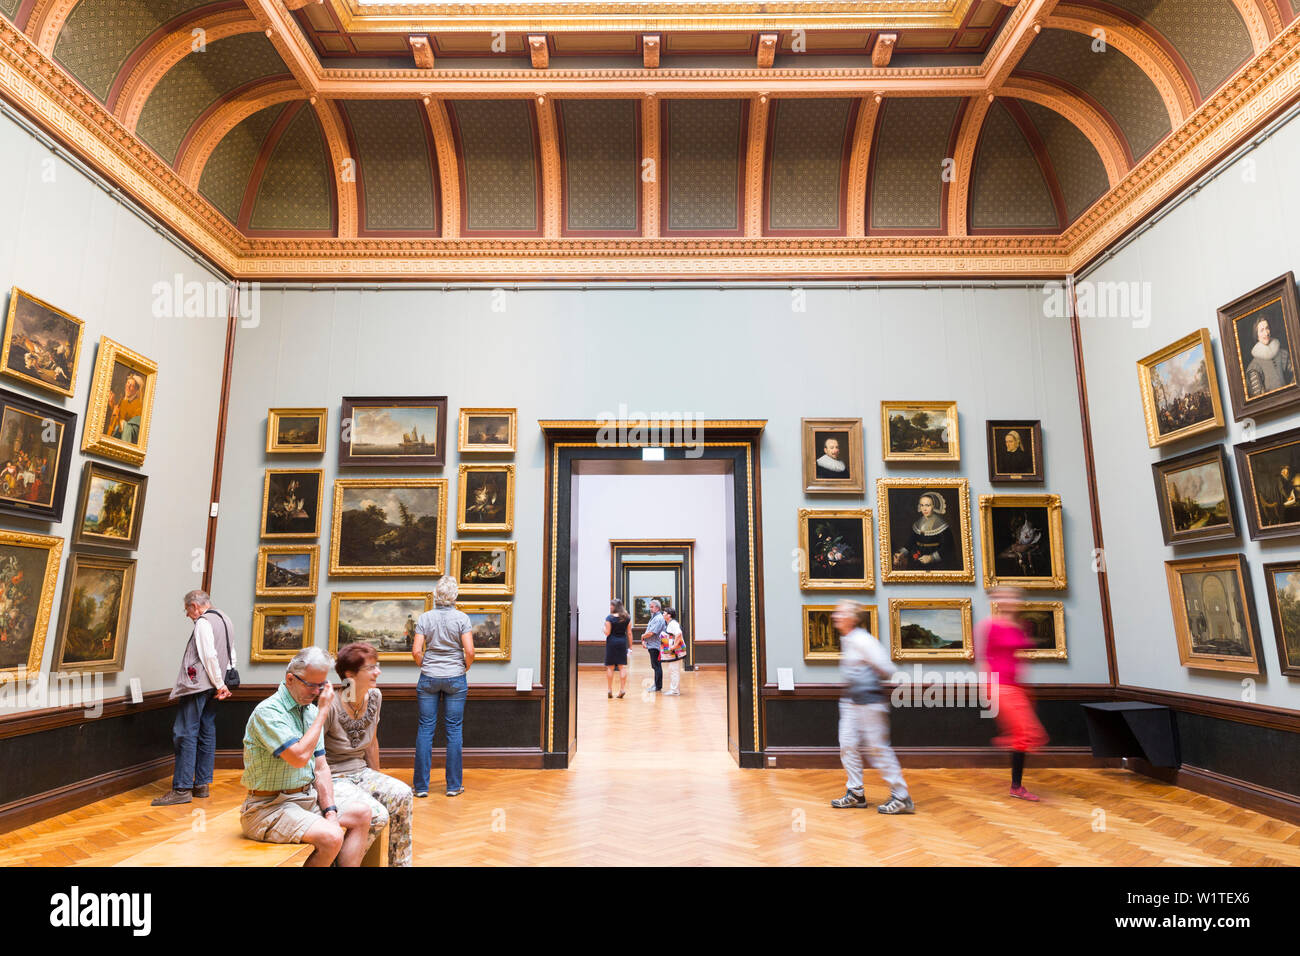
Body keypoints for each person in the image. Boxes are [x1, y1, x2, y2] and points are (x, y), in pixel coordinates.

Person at [239, 647, 372, 866]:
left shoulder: (309, 712)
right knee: (332, 837)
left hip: (304, 798)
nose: (317, 692)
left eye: (322, 685)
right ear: (290, 679)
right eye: (311, 685)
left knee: (361, 814)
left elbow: (321, 768)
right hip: (267, 807)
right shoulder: (269, 712)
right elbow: (299, 757)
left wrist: (330, 812)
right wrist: (322, 712)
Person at [325, 641, 414, 867]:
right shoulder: (330, 703)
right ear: (350, 674)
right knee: (377, 813)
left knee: (402, 793)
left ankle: (400, 865)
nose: (378, 671)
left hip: (361, 772)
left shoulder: (375, 697)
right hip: (334, 777)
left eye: (378, 665)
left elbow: (372, 741)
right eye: (371, 667)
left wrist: (378, 781)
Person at [152, 590, 235, 807]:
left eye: (187, 610)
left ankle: (181, 788)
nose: (188, 615)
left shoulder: (203, 623)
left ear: (195, 606)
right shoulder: (225, 619)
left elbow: (209, 655)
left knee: (185, 732)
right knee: (206, 730)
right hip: (216, 687)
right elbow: (230, 653)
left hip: (199, 685)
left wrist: (219, 684)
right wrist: (222, 683)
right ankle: (202, 784)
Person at [830, 601, 914, 814]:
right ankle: (856, 793)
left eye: (841, 613)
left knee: (878, 748)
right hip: (851, 701)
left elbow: (887, 667)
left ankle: (902, 796)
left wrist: (866, 675)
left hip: (869, 702)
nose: (836, 616)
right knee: (847, 745)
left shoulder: (863, 640)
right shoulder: (848, 640)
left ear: (853, 618)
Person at [978, 587, 1050, 801]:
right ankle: (1016, 786)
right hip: (1000, 686)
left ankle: (1016, 786)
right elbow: (982, 659)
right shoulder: (988, 626)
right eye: (1003, 597)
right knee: (1025, 734)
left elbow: (1020, 656)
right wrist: (987, 688)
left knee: (1025, 737)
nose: (1009, 601)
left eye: (1012, 597)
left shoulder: (1021, 626)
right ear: (997, 601)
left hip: (1018, 687)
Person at [412, 575, 474, 798]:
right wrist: (462, 668)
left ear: (436, 595)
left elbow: (416, 651)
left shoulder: (424, 618)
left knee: (425, 729)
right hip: (455, 677)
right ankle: (453, 786)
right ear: (455, 595)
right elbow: (470, 652)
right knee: (454, 730)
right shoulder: (462, 618)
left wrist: (426, 665)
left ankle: (420, 787)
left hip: (428, 677)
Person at [892, 492, 956, 570]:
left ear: (933, 506)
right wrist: (901, 553)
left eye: (927, 505)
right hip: (917, 558)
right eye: (922, 505)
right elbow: (910, 542)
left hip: (936, 563)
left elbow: (947, 548)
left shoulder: (942, 525)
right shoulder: (918, 523)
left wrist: (931, 558)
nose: (924, 509)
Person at [1245, 315, 1293, 398]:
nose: (1266, 333)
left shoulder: (1282, 353)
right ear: (1257, 335)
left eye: (1267, 328)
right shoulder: (1254, 366)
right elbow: (1258, 397)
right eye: (1262, 330)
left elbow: (1296, 372)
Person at [603, 599, 631, 699]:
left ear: (615, 606)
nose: (610, 607)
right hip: (622, 642)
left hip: (611, 643)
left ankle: (610, 689)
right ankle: (622, 689)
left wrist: (603, 628)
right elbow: (629, 633)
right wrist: (630, 647)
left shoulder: (609, 618)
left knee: (610, 667)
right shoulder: (627, 617)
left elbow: (607, 633)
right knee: (622, 667)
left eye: (611, 605)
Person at [659, 607, 686, 696]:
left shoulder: (673, 624)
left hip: (675, 652)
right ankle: (674, 689)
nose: (663, 614)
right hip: (673, 652)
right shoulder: (670, 623)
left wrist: (674, 646)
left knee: (674, 670)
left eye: (664, 613)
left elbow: (678, 634)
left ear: (669, 615)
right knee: (672, 670)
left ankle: (675, 691)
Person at [642, 598, 666, 693]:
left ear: (657, 608)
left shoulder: (659, 618)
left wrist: (642, 637)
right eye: (650, 606)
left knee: (656, 666)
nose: (650, 608)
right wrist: (644, 640)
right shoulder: (654, 617)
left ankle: (657, 686)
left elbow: (651, 633)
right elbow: (649, 630)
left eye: (651, 607)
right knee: (655, 666)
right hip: (652, 645)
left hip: (656, 646)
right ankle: (656, 685)